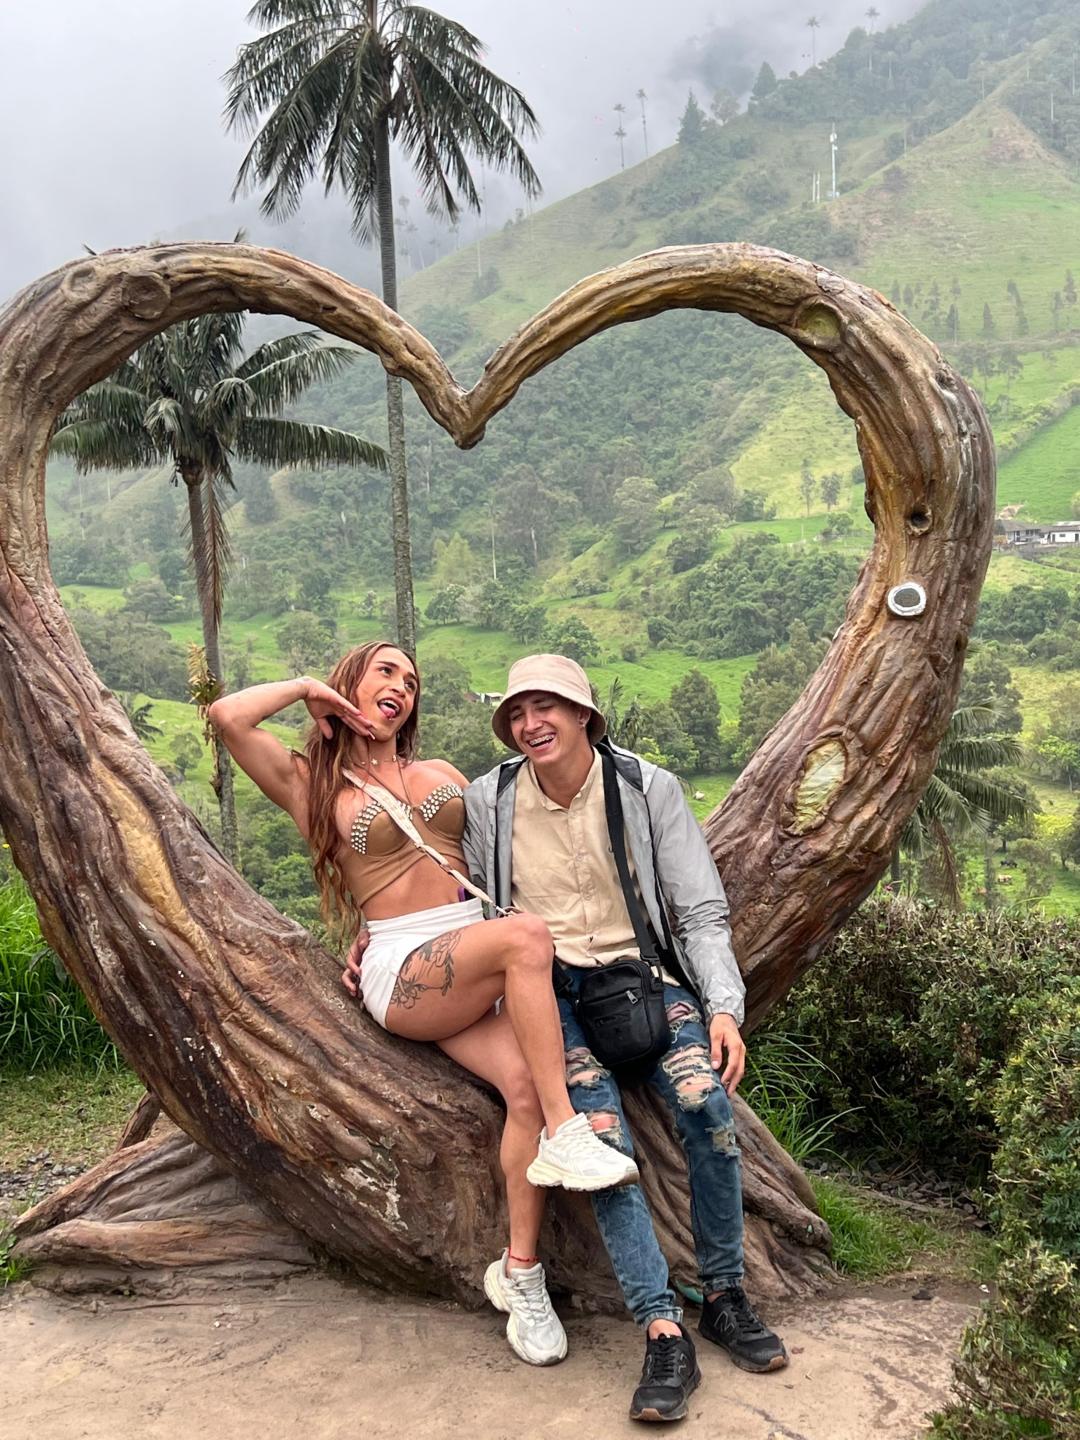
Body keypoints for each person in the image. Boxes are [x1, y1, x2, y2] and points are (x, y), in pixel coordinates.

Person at [349, 653, 787, 1423]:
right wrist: (370, 935)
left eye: (546, 707)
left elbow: (699, 910)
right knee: (596, 1144)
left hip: (647, 983)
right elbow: (437, 874)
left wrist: (723, 1007)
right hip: (553, 1002)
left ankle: (725, 1295)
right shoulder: (491, 800)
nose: (531, 724)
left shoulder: (646, 788)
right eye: (518, 713)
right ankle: (661, 1329)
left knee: (706, 1108)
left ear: (584, 714)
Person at [210, 641, 638, 1369]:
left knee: (525, 1089)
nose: (401, 687)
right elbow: (227, 717)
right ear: (350, 683)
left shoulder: (440, 774)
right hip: (406, 965)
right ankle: (571, 1133)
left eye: (410, 681)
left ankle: (521, 1274)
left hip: (477, 958)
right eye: (385, 672)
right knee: (525, 938)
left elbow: (507, 848)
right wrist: (310, 686)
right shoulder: (310, 783)